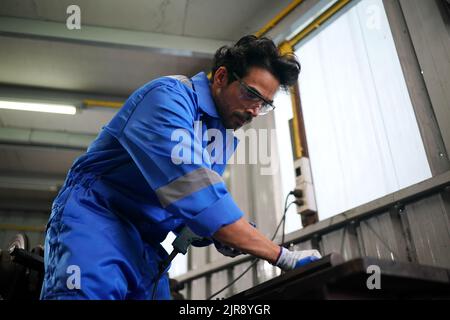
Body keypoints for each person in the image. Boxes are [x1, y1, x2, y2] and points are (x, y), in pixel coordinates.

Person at [40, 35, 322, 300]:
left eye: (264, 104)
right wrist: (281, 256)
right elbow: (199, 197)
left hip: (147, 243)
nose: (254, 111)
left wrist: (220, 236)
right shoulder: (167, 100)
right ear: (222, 77)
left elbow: (193, 214)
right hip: (96, 217)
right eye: (251, 95)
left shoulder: (220, 138)